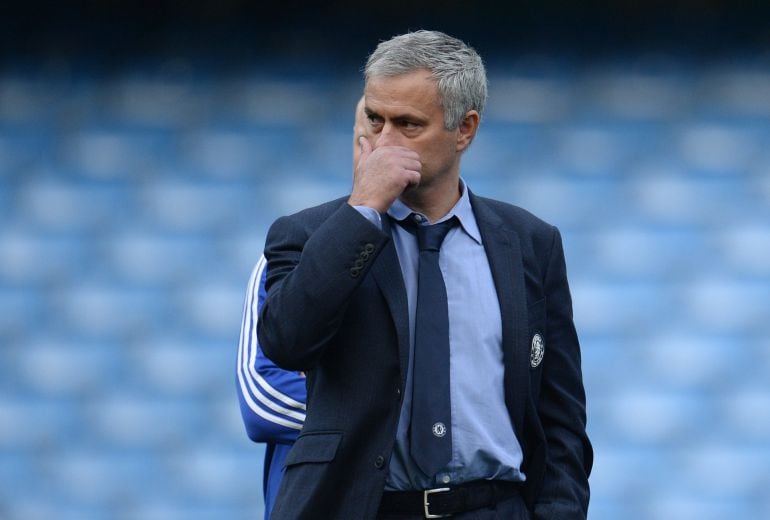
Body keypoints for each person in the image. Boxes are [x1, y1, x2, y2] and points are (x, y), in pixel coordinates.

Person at [258, 30, 592, 519]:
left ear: (465, 130)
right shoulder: (309, 235)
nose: (384, 142)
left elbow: (560, 419)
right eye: (375, 119)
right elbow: (287, 342)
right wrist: (363, 210)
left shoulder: (530, 243)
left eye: (408, 125)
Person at [236, 97, 368, 519]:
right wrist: (398, 416)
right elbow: (262, 399)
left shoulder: (456, 256)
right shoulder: (295, 252)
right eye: (371, 133)